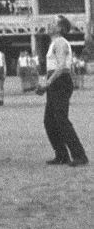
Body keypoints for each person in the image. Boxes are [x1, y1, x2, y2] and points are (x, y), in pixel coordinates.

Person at [38, 16, 88, 167]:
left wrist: (47, 83)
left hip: (60, 81)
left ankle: (79, 155)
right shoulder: (54, 43)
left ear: (60, 28)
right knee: (50, 121)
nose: (49, 25)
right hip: (56, 82)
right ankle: (61, 155)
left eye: (53, 23)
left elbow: (61, 67)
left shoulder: (60, 42)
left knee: (61, 119)